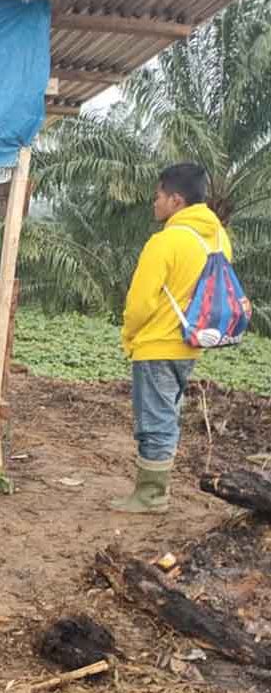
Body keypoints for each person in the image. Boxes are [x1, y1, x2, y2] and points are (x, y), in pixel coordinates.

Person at [112, 163, 236, 514]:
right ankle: (153, 491)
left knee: (155, 420)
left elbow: (140, 303)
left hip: (157, 344)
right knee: (166, 412)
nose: (155, 203)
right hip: (192, 342)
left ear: (176, 199)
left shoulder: (166, 242)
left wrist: (130, 334)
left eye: (159, 197)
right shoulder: (217, 238)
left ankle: (151, 496)